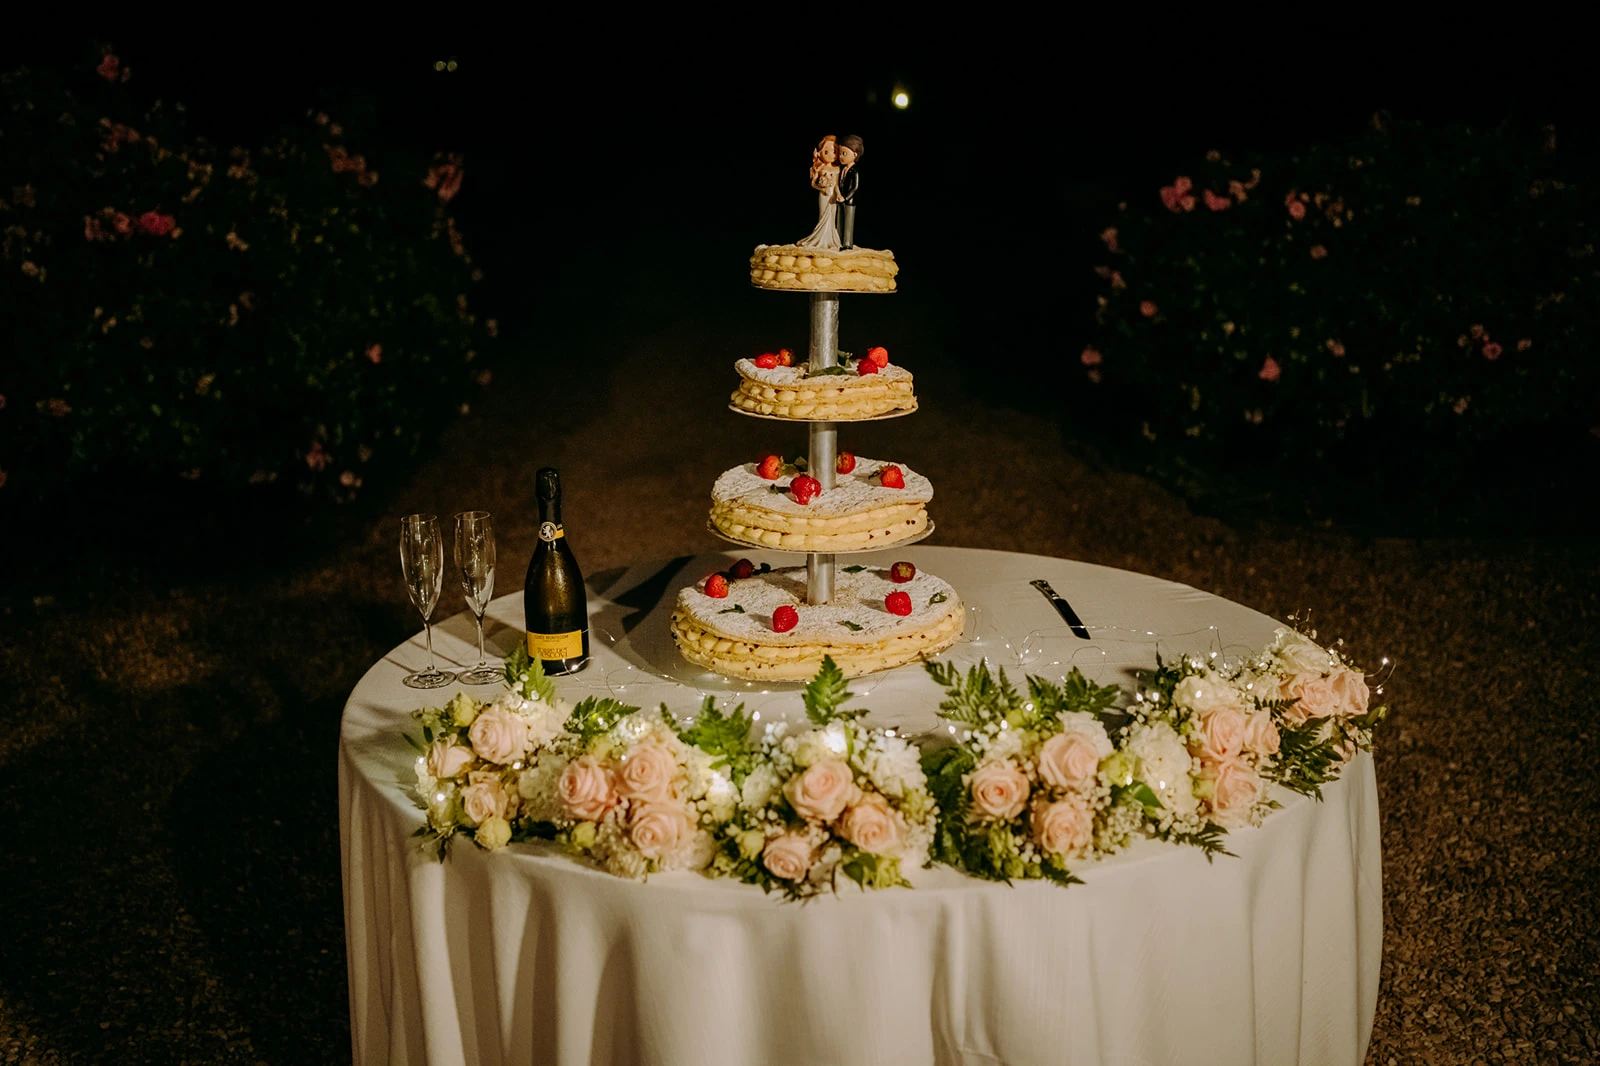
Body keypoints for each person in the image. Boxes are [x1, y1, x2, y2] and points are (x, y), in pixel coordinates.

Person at [795, 135, 840, 249]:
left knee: (832, 217)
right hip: (823, 195)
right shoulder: (819, 168)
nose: (831, 154)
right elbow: (813, 183)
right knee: (822, 216)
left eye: (834, 151)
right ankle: (819, 239)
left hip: (833, 195)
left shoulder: (837, 169)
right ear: (819, 153)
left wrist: (838, 194)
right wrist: (822, 188)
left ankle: (831, 240)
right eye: (826, 151)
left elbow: (836, 185)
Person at [835, 135, 863, 249]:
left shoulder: (854, 171)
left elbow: (855, 187)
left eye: (844, 153)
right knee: (839, 220)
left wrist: (845, 198)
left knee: (848, 222)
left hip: (849, 201)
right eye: (840, 153)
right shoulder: (842, 170)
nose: (840, 157)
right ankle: (838, 240)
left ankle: (847, 243)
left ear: (855, 155)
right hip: (840, 198)